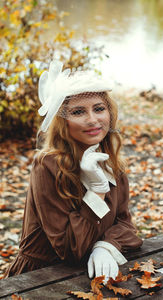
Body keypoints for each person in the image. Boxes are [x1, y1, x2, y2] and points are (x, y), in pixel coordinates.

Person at [4, 60, 143, 282]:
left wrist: (106, 246)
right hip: (40, 278)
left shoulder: (112, 163)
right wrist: (97, 191)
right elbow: (71, 250)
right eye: (78, 112)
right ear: (62, 122)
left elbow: (126, 225)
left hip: (90, 275)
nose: (93, 120)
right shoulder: (47, 165)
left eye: (99, 108)